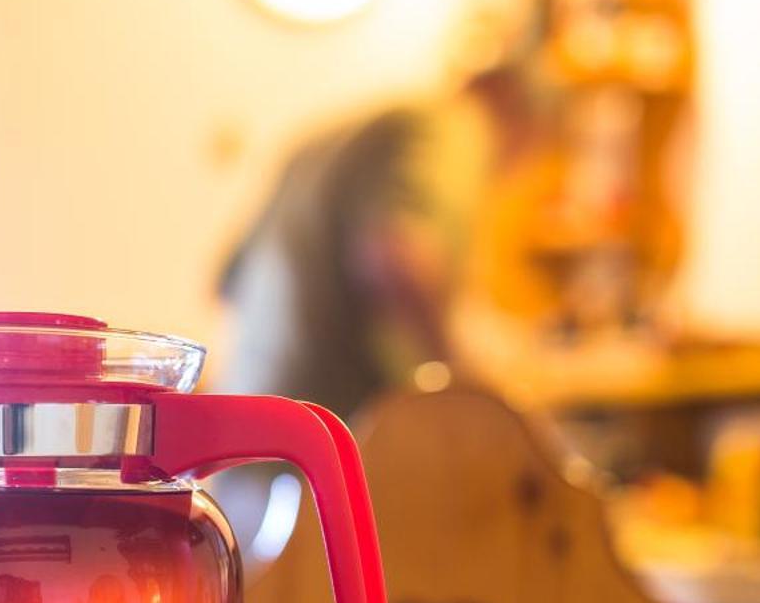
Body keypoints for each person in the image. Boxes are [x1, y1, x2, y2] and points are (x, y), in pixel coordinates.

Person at [210, 61, 547, 551]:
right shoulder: (452, 127)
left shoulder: (321, 143)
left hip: (239, 450)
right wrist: (465, 387)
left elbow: (225, 279)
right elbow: (396, 255)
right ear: (513, 112)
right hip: (314, 470)